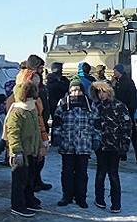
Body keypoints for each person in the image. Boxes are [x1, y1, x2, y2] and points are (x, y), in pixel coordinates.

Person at [52, 78, 100, 209]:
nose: (75, 93)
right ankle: (66, 196)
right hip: (67, 144)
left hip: (83, 145)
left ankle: (81, 198)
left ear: (82, 91)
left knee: (82, 173)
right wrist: (56, 136)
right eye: (73, 90)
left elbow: (96, 123)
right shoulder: (63, 103)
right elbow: (57, 121)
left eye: (78, 90)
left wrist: (96, 138)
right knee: (67, 172)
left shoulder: (89, 104)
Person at [89, 81, 131, 213]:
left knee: (113, 174)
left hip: (114, 147)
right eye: (99, 92)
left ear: (109, 92)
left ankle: (116, 203)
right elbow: (91, 125)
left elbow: (126, 128)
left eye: (104, 92)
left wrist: (124, 148)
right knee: (100, 173)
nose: (101, 95)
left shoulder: (119, 106)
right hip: (100, 146)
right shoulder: (95, 107)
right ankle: (99, 199)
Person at [5, 81, 43, 217]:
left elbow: (36, 131)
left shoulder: (31, 110)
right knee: (19, 181)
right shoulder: (17, 112)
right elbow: (13, 134)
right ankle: (17, 205)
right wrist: (17, 152)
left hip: (31, 151)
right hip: (21, 154)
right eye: (28, 97)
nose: (31, 100)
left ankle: (29, 200)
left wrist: (39, 147)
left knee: (30, 179)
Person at [25, 54, 52, 192]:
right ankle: (33, 184)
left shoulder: (39, 84)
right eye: (41, 68)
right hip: (35, 125)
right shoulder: (29, 84)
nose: (42, 71)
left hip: (42, 122)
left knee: (41, 156)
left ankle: (37, 180)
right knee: (35, 157)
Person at [112, 63, 137, 162]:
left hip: (127, 111)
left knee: (130, 133)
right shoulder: (115, 82)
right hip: (118, 110)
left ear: (120, 72)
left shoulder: (128, 82)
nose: (114, 73)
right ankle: (122, 154)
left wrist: (131, 109)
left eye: (116, 72)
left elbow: (132, 97)